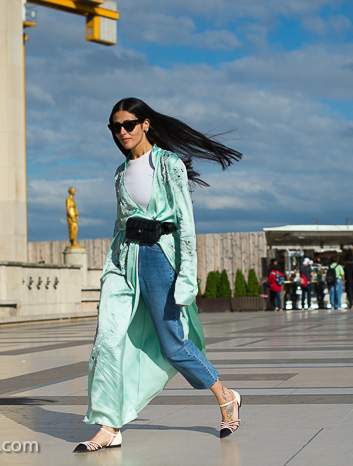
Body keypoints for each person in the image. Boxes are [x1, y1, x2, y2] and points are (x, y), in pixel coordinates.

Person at [75, 97, 243, 452]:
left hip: (159, 257)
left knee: (172, 344)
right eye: (115, 127)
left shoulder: (168, 165)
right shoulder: (120, 173)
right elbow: (120, 224)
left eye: (128, 125)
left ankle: (225, 395)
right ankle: (109, 425)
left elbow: (185, 224)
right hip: (124, 260)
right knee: (107, 339)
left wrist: (186, 277)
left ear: (145, 124)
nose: (121, 132)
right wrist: (112, 268)